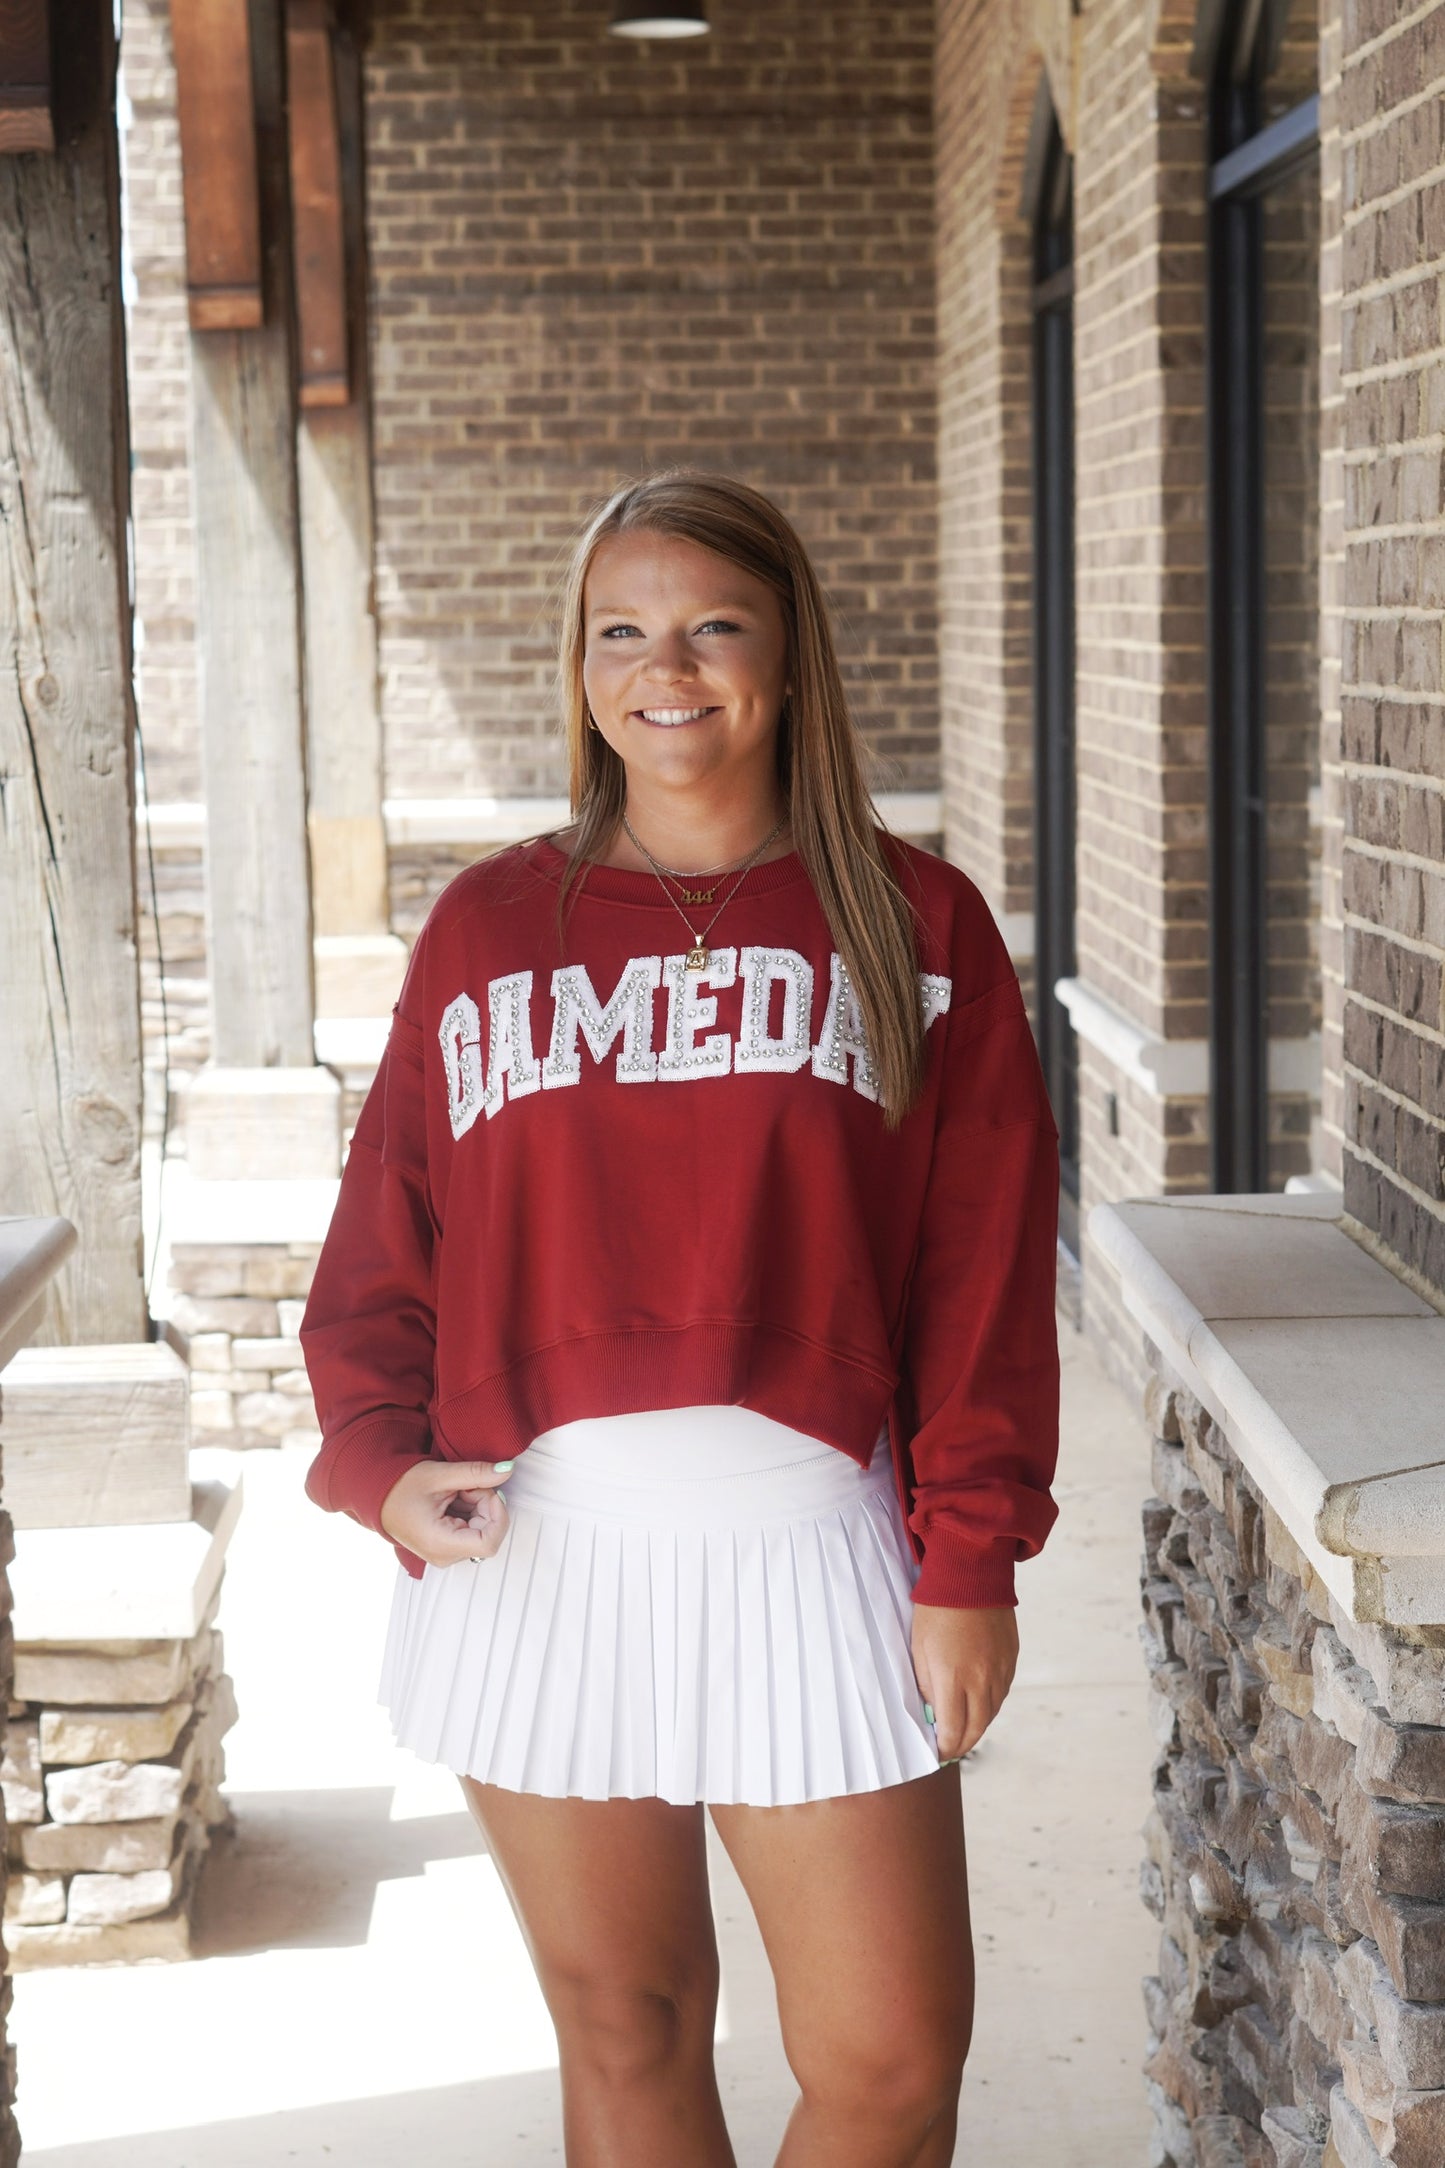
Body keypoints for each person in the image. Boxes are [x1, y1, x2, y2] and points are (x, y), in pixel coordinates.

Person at [300, 470, 1061, 2168]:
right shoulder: (493, 925)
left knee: (888, 2063)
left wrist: (969, 1556)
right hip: (539, 1548)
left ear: (788, 657)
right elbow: (385, 1234)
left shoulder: (913, 923)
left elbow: (983, 1278)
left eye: (714, 624)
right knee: (628, 2031)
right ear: (578, 665)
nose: (668, 667)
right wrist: (372, 1462)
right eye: (619, 630)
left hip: (809, 1539)